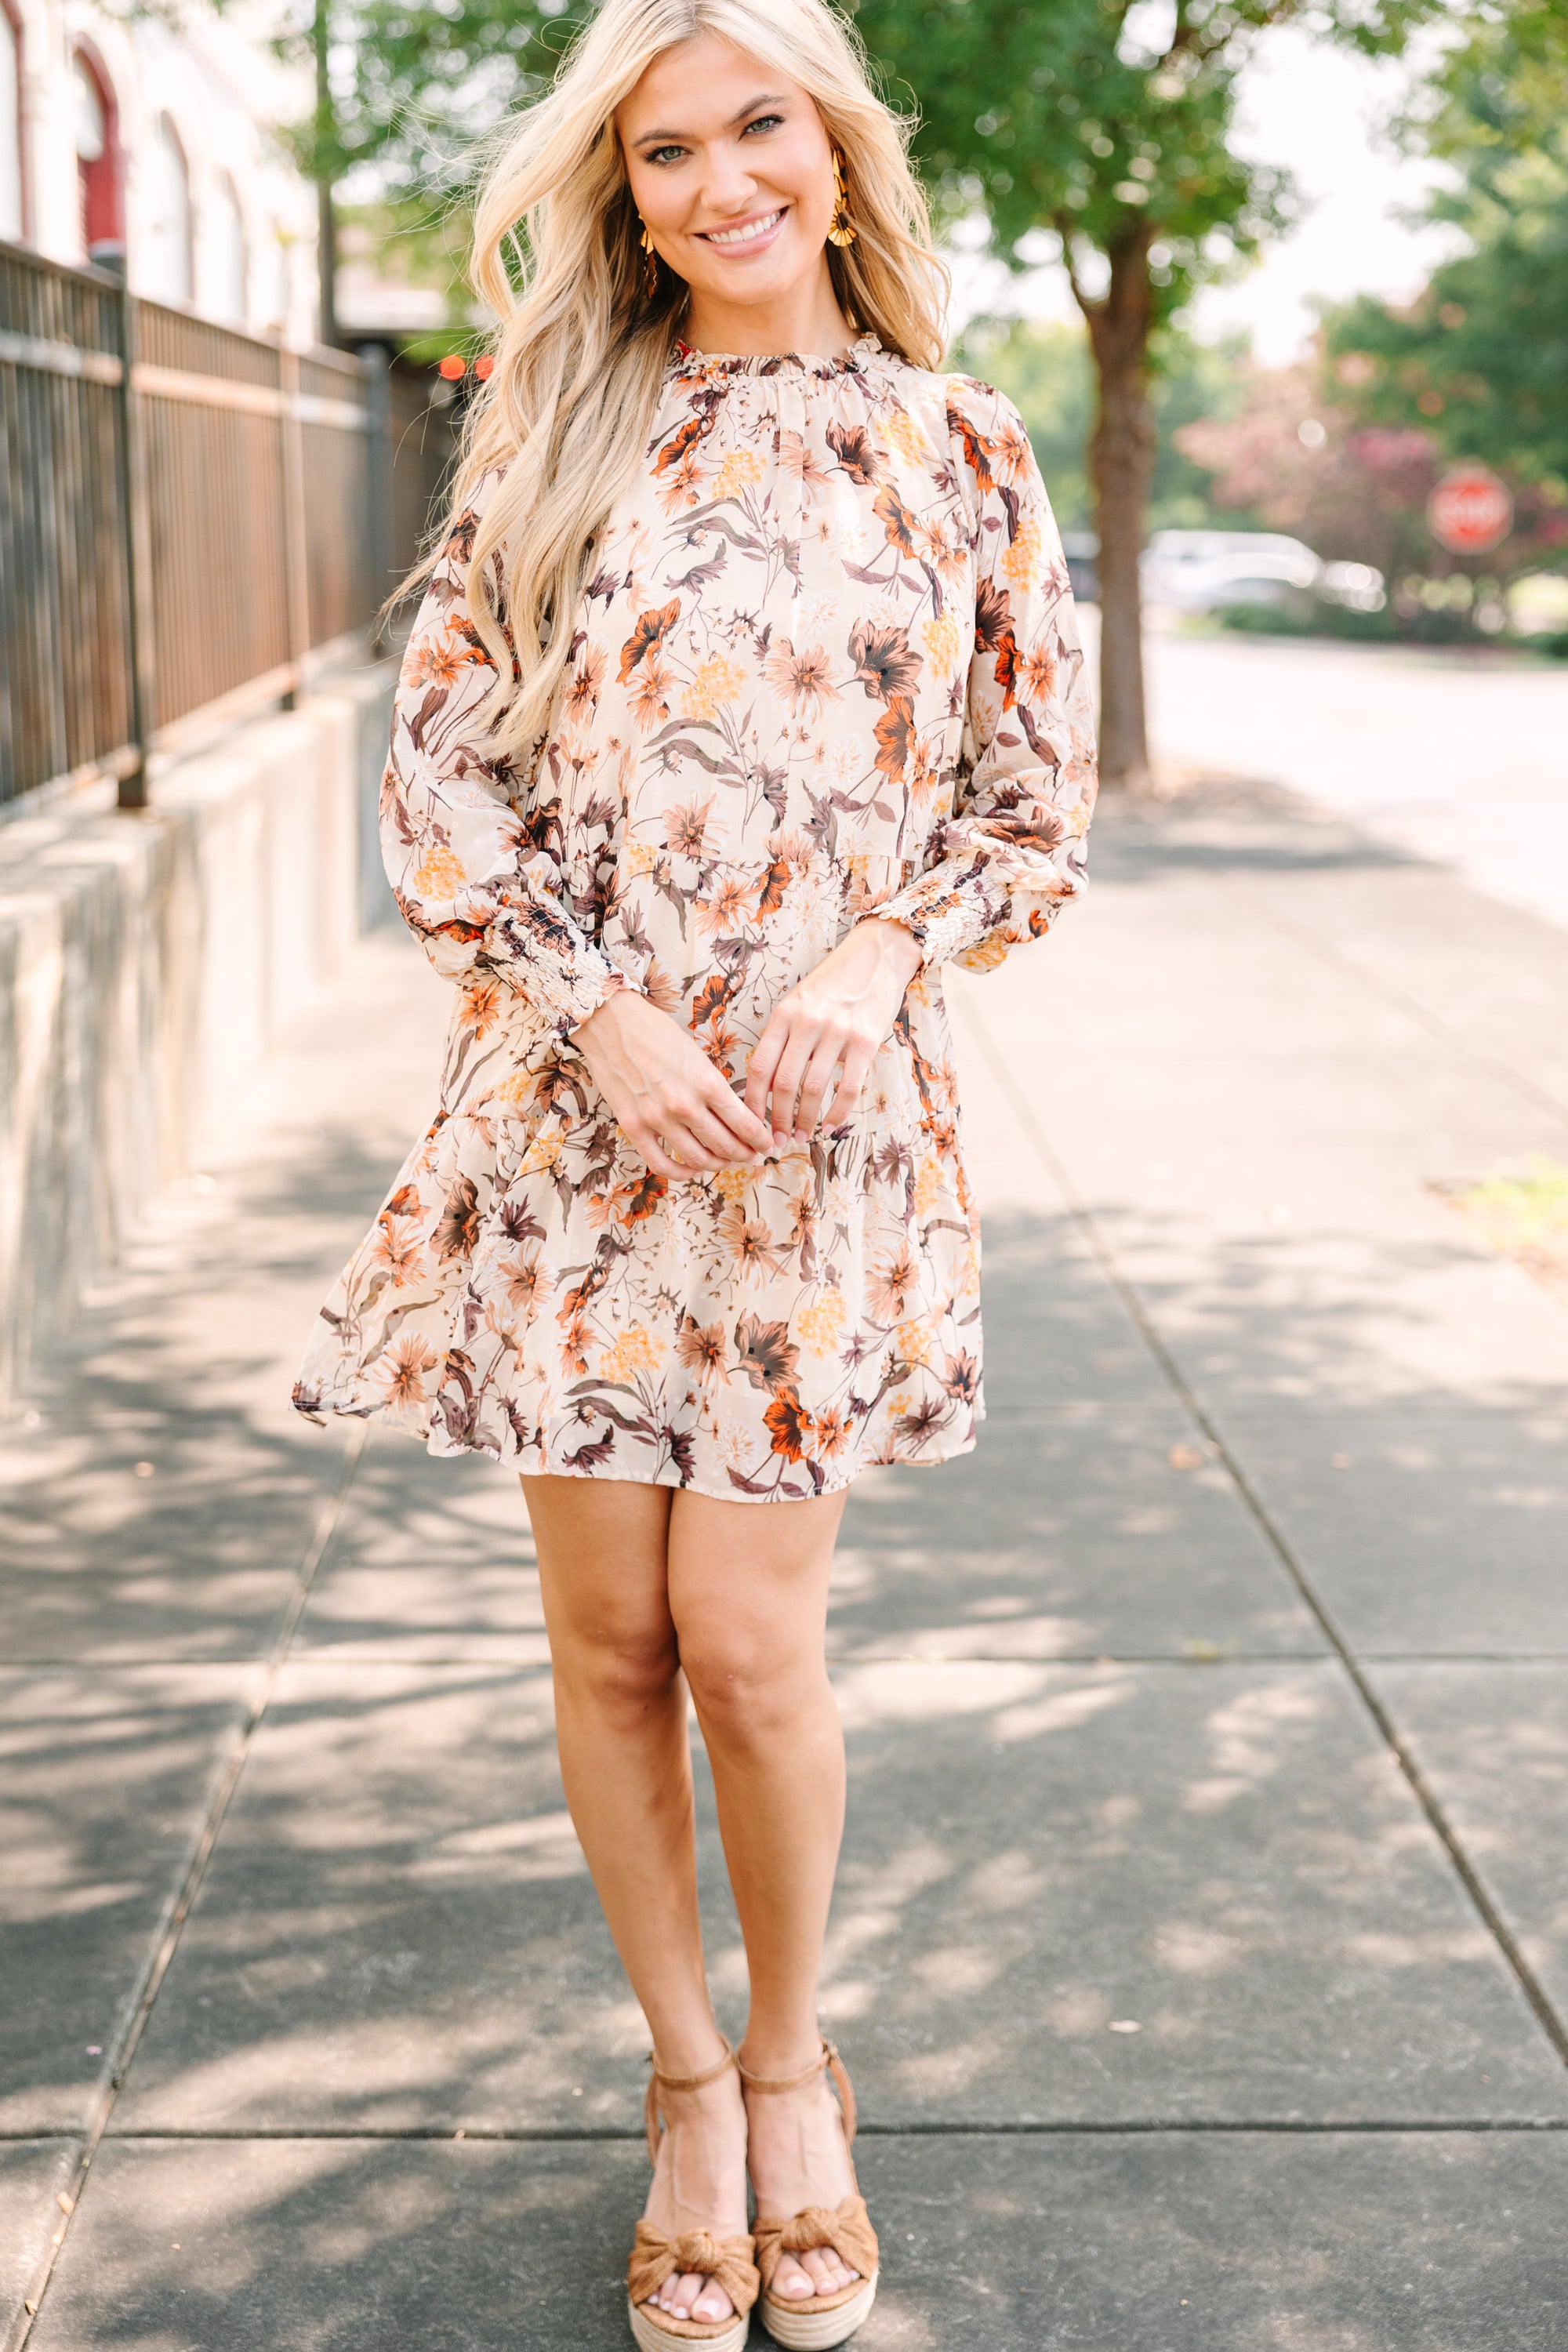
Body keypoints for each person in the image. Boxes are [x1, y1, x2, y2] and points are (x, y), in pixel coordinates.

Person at [294, 0, 1096, 2338]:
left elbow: (1029, 810)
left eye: (761, 128)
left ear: (837, 156)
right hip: (576, 1123)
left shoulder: (959, 448)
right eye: (665, 153)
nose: (719, 180)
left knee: (753, 1649)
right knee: (610, 1643)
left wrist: (871, 951)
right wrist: (599, 1009)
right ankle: (678, 2084)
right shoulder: (552, 420)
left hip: (821, 1151)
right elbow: (445, 781)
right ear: (621, 195)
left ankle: (791, 2066)